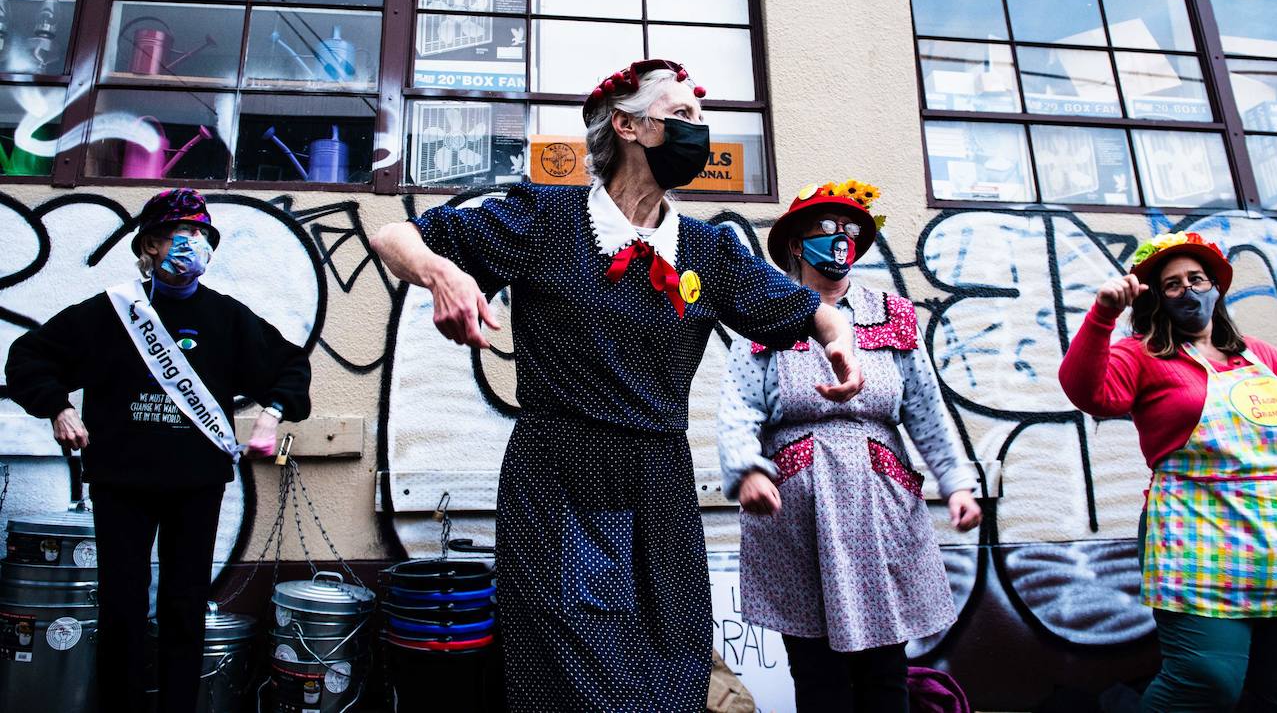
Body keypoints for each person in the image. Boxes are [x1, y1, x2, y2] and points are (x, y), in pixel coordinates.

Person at [370, 59, 865, 712]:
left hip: (661, 486)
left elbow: (810, 309)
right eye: (681, 114)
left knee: (672, 667)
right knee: (574, 678)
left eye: (701, 117)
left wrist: (838, 337)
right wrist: (444, 274)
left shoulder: (708, 251)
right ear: (628, 126)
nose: (698, 129)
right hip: (560, 482)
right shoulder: (546, 220)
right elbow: (392, 235)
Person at [5, 187, 311, 713]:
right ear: (150, 244)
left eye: (202, 234)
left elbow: (290, 366)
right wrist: (58, 408)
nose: (194, 243)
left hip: (196, 484)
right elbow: (28, 357)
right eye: (182, 232)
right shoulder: (111, 313)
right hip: (121, 482)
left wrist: (272, 412)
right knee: (121, 608)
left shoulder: (226, 317)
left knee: (184, 608)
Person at [1058, 230, 1277, 712]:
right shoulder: (1141, 354)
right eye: (1172, 284)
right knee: (1205, 682)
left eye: (1197, 279)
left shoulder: (1260, 356)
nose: (1188, 290)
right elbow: (1089, 392)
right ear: (1156, 298)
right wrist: (1102, 317)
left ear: (1216, 288)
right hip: (1196, 541)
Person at [717, 179, 980, 713]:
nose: (841, 238)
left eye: (850, 229)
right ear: (796, 243)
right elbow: (739, 407)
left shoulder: (893, 314)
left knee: (885, 670)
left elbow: (926, 409)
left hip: (880, 511)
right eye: (826, 227)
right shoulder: (768, 317)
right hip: (799, 517)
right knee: (819, 677)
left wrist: (956, 483)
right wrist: (747, 470)